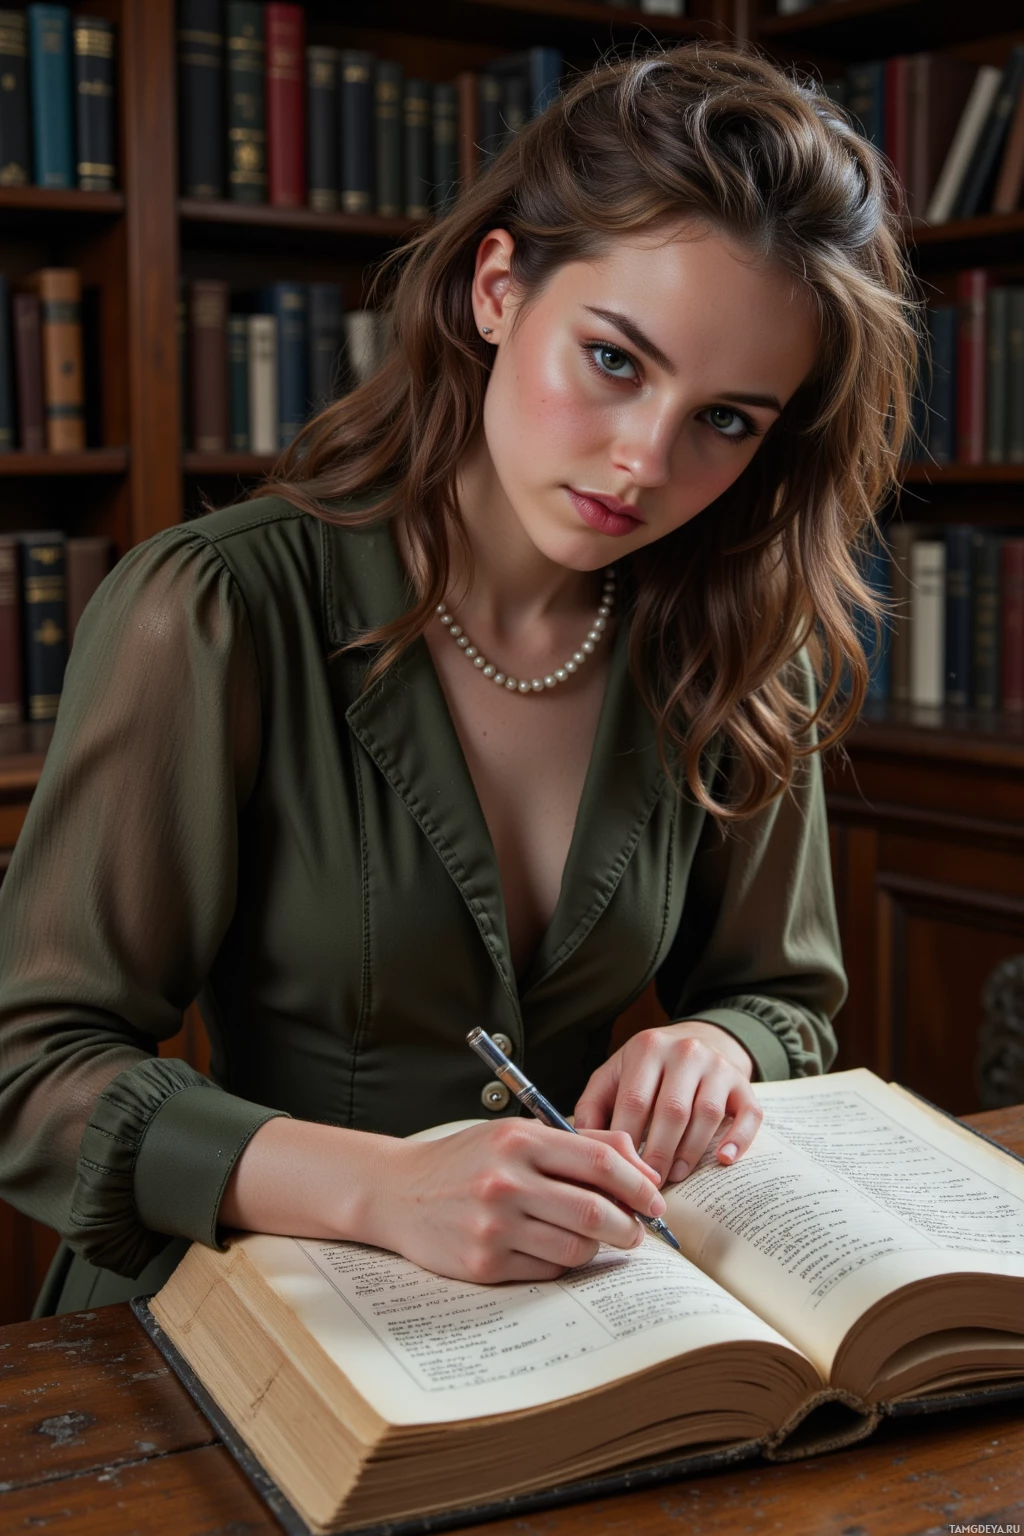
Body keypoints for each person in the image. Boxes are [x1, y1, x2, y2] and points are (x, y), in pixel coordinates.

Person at [0, 40, 917, 1317]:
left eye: (726, 419)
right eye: (614, 360)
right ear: (498, 289)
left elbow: (782, 999)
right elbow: (30, 1069)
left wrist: (717, 1046)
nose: (644, 461)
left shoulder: (742, 645)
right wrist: (378, 1187)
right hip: (233, 1313)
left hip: (564, 1314)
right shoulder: (212, 610)